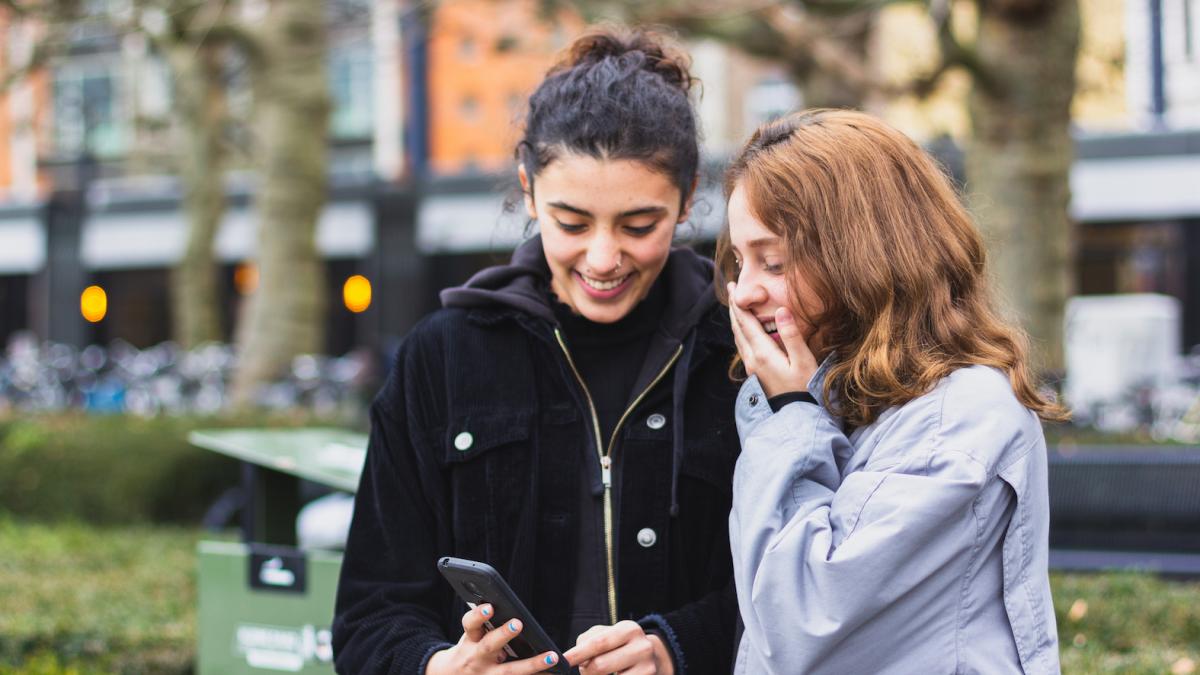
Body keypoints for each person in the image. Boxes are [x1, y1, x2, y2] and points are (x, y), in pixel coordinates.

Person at [333, 29, 741, 675]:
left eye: (640, 226)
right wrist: (434, 665)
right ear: (528, 189)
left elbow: (800, 586)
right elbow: (369, 614)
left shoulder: (742, 350)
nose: (603, 258)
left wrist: (681, 645)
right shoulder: (442, 356)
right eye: (571, 223)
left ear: (689, 197)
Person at [718, 109, 1068, 674]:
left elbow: (801, 624)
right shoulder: (853, 396)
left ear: (863, 254)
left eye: (773, 260)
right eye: (740, 260)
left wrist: (787, 412)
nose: (745, 291)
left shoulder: (954, 420)